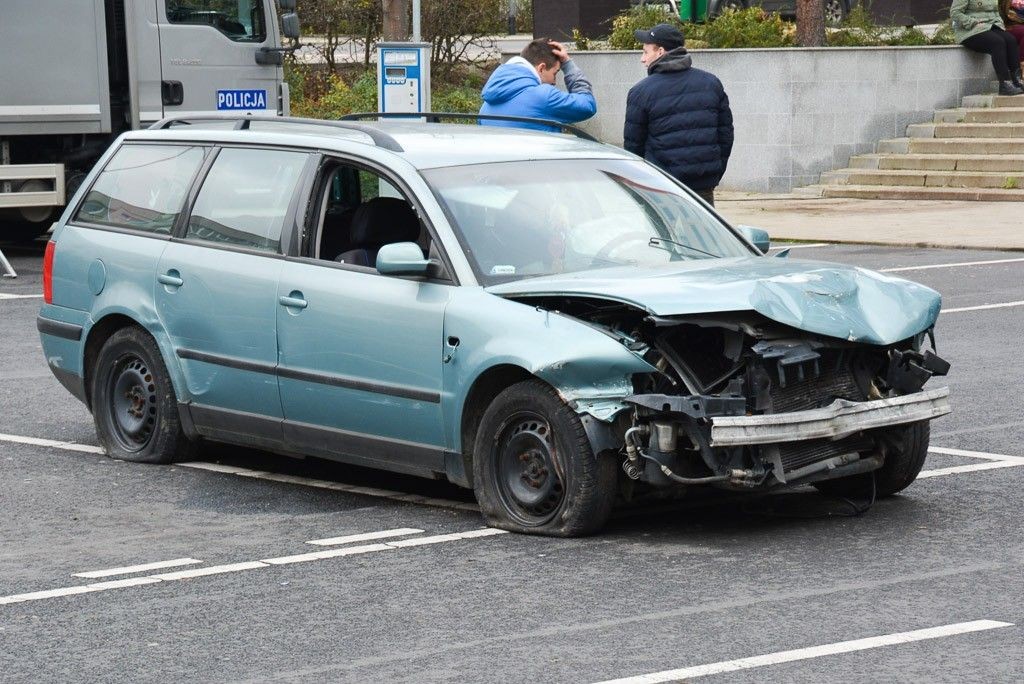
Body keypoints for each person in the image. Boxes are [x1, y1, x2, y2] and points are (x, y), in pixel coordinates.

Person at [623, 23, 733, 207]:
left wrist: (640, 182)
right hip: (702, 184)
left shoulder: (640, 92)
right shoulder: (711, 83)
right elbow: (725, 136)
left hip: (661, 186)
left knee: (663, 235)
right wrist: (713, 173)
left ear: (660, 52)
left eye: (645, 52)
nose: (642, 59)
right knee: (701, 235)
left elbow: (634, 147)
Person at [479, 38, 597, 132]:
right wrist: (567, 64)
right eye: (555, 73)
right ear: (541, 68)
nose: (554, 82)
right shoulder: (543, 96)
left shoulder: (486, 105)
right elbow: (587, 106)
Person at [951, 0, 1023, 96]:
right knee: (997, 42)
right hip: (970, 30)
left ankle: (1017, 81)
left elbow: (995, 12)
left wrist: (999, 24)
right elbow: (955, 13)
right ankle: (1005, 84)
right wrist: (972, 22)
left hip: (990, 26)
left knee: (1011, 40)